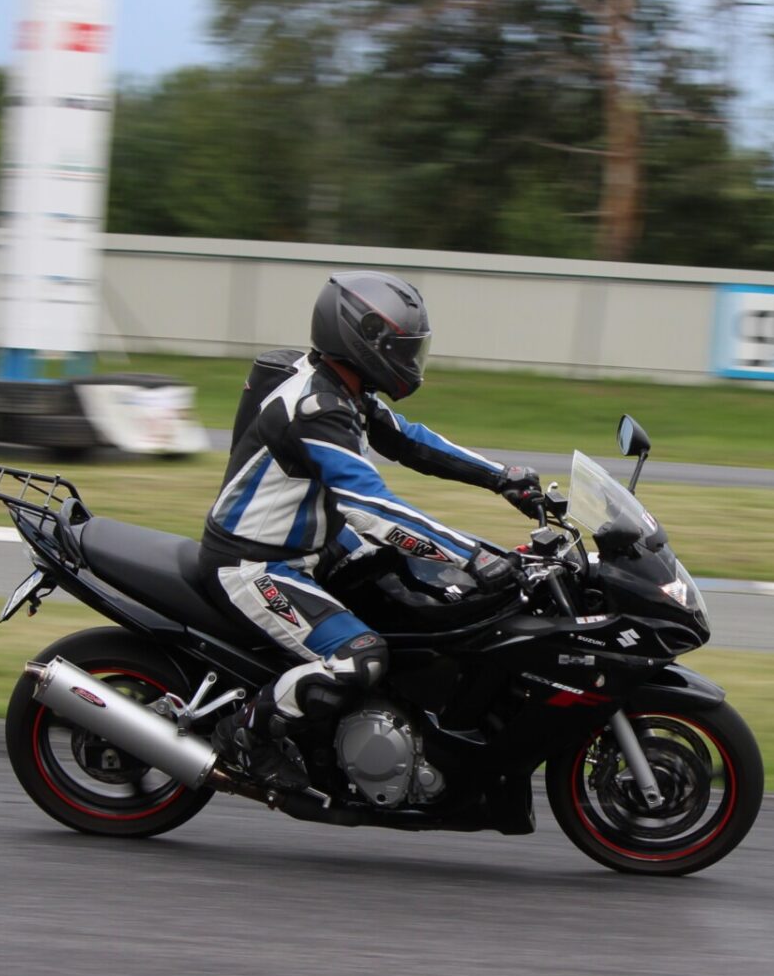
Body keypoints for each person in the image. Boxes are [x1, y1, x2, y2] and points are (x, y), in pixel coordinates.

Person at [201, 270, 543, 784]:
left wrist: (502, 477)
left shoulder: (343, 390)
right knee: (359, 658)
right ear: (362, 341)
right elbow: (373, 510)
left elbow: (409, 441)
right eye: (401, 349)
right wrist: (471, 556)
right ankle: (246, 735)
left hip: (316, 544)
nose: (410, 360)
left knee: (421, 594)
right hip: (257, 563)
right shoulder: (315, 409)